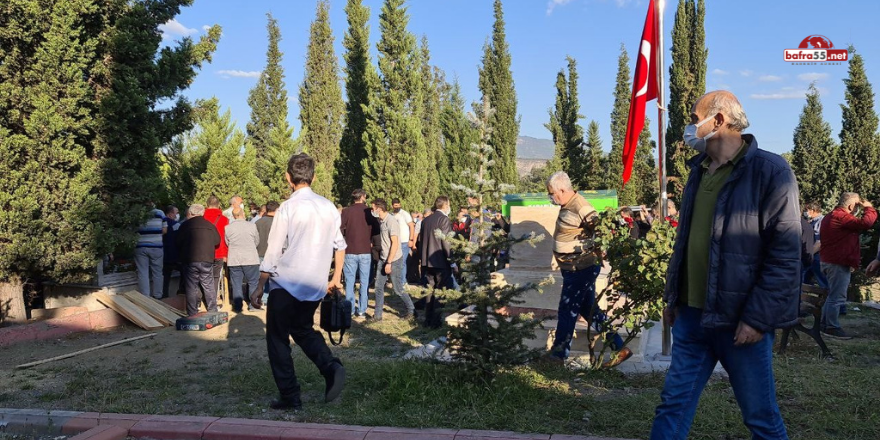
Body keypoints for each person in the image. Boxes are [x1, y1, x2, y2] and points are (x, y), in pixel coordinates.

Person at [651, 91, 799, 440]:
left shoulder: (771, 171)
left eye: (694, 118)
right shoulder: (698, 171)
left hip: (739, 321)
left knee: (760, 417)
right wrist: (673, 296)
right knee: (672, 406)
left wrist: (757, 318)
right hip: (690, 317)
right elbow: (685, 241)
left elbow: (785, 255)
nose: (689, 126)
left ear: (718, 121)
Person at [255, 153, 347, 411]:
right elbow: (340, 245)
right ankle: (331, 367)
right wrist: (335, 277)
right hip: (315, 284)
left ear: (288, 178)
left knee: (277, 338)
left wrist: (260, 285)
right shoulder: (328, 207)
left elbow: (273, 250)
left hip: (286, 282)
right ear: (313, 177)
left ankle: (290, 395)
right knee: (302, 329)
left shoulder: (287, 208)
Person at [542, 171, 631, 367]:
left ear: (562, 190)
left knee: (567, 309)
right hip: (573, 268)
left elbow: (602, 229)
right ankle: (619, 347)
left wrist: (600, 250)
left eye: (552, 193)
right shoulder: (568, 205)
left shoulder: (581, 206)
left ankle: (558, 355)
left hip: (580, 268)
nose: (551, 197)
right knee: (590, 311)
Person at [818, 192, 877, 339]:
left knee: (832, 295)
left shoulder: (831, 215)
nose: (858, 209)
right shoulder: (841, 216)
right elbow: (865, 223)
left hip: (829, 261)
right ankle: (831, 327)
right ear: (851, 206)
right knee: (837, 296)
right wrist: (869, 208)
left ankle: (824, 324)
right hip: (837, 263)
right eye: (857, 205)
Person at [371, 198, 415, 320]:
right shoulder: (381, 221)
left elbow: (395, 243)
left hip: (393, 260)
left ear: (379, 209)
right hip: (383, 258)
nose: (372, 211)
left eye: (373, 208)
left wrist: (389, 262)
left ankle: (411, 310)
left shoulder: (391, 222)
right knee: (378, 287)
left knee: (397, 288)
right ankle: (377, 316)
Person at [176, 204, 221, 317]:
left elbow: (178, 241)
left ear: (190, 213)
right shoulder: (210, 225)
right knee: (208, 285)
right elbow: (217, 241)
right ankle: (213, 310)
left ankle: (192, 312)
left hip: (190, 259)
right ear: (202, 213)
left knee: (191, 287)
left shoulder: (185, 225)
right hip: (207, 259)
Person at [419, 196, 457, 328]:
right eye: (449, 205)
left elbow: (421, 241)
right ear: (445, 205)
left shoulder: (426, 220)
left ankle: (427, 320)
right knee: (440, 291)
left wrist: (422, 258)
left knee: (429, 291)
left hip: (427, 261)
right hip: (441, 260)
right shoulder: (444, 219)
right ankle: (436, 322)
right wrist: (452, 261)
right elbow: (446, 241)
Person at [340, 189, 379, 317]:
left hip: (350, 249)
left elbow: (340, 229)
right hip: (365, 249)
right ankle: (362, 310)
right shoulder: (369, 211)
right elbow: (376, 229)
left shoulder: (346, 211)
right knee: (364, 281)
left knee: (349, 281)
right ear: (363, 197)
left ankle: (350, 309)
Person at [225, 207, 261, 313]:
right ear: (243, 213)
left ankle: (237, 307)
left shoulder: (228, 228)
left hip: (234, 259)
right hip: (250, 258)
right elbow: (256, 241)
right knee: (253, 282)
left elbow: (227, 242)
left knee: (236, 283)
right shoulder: (252, 226)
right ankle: (253, 305)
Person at [134, 202, 167, 299]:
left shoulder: (137, 213)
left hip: (140, 247)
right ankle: (158, 295)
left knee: (142, 272)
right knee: (157, 272)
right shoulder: (160, 213)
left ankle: (145, 297)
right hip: (156, 247)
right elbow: (165, 230)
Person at [203, 196, 229, 303]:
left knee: (203, 276)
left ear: (207, 205)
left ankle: (202, 299)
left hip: (203, 252)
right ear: (218, 205)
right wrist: (226, 254)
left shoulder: (202, 218)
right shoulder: (224, 219)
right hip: (219, 252)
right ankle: (212, 300)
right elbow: (226, 238)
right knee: (215, 277)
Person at [802, 201, 828, 290]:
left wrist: (809, 254)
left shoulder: (820, 221)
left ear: (812, 210)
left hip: (816, 256)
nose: (805, 212)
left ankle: (828, 296)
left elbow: (819, 242)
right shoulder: (812, 221)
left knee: (823, 282)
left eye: (807, 210)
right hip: (811, 256)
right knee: (804, 280)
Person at [391, 198, 415, 289]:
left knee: (402, 262)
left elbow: (411, 226)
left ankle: (403, 282)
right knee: (396, 263)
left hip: (404, 242)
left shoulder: (405, 214)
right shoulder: (391, 215)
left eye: (398, 205)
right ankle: (397, 281)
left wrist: (411, 239)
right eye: (395, 205)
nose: (397, 207)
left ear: (400, 205)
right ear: (392, 206)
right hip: (395, 242)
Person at [162, 205, 182, 298]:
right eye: (176, 213)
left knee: (165, 278)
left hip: (164, 255)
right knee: (185, 272)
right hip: (175, 256)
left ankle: (164, 296)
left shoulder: (161, 223)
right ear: (170, 214)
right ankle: (181, 292)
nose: (177, 215)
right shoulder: (176, 225)